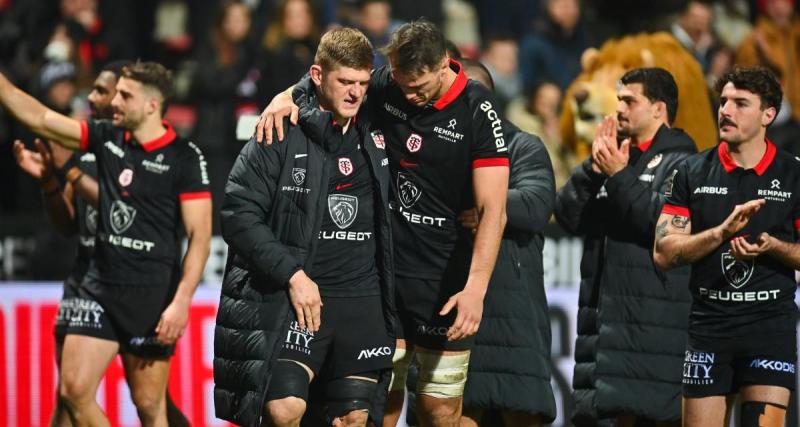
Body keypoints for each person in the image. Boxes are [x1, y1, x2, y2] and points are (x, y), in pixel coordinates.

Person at [257, 19, 510, 427]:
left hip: (442, 281)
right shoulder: (388, 83)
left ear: (445, 65)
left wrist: (476, 289)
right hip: (381, 280)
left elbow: (494, 211)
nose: (407, 95)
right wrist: (283, 97)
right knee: (376, 407)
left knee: (438, 410)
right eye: (400, 83)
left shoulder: (479, 110)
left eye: (419, 87)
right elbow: (327, 79)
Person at [0, 61, 212, 426]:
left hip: (152, 294)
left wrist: (180, 302)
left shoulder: (184, 157)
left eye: (125, 95)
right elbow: (39, 117)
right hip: (98, 287)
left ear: (150, 105)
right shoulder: (105, 137)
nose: (115, 101)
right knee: (73, 393)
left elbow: (200, 238)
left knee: (149, 404)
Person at [213, 27, 395, 427]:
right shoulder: (277, 130)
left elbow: (423, 80)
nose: (355, 93)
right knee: (284, 410)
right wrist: (292, 275)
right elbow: (238, 214)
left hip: (362, 302)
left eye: (363, 83)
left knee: (356, 418)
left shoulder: (379, 122)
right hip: (298, 302)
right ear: (317, 75)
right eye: (345, 82)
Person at [654, 67, 797, 427]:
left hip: (770, 326)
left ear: (769, 114)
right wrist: (719, 234)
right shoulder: (690, 171)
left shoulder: (794, 175)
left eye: (740, 103)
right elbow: (664, 253)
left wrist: (771, 246)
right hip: (709, 327)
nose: (725, 111)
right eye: (723, 102)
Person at [555, 67, 697, 426]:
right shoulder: (612, 159)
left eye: (630, 100)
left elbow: (660, 227)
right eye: (618, 99)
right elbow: (567, 216)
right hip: (602, 335)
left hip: (650, 334)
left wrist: (619, 175)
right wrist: (593, 167)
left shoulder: (686, 165)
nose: (619, 108)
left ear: (658, 109)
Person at [457, 59, 558, 427]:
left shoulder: (522, 146)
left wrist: (490, 207)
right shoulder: (441, 148)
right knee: (455, 412)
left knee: (521, 409)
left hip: (515, 311)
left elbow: (536, 204)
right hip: (455, 307)